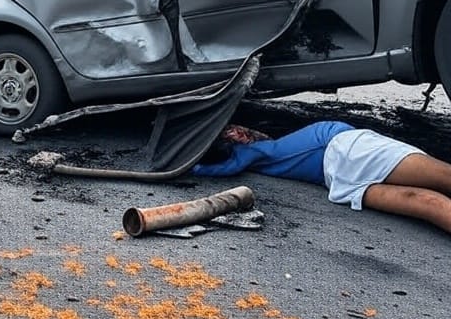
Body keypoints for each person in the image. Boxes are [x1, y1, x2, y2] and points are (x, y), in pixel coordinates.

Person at [193, 121, 451, 234]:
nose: (238, 134)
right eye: (229, 135)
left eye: (236, 128)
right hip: (342, 179)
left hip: (347, 155)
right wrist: (190, 165)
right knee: (427, 202)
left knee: (441, 180)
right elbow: (213, 168)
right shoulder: (249, 154)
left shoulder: (276, 146)